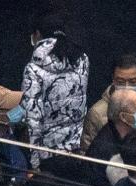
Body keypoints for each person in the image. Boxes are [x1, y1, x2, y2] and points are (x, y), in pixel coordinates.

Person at [20, 11, 89, 169]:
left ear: (37, 34)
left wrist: (34, 162)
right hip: (75, 149)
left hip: (47, 154)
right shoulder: (82, 59)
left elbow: (32, 118)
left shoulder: (33, 69)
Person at [80, 52, 136, 151]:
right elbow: (87, 154)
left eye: (133, 82)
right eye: (120, 82)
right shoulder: (97, 113)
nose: (127, 87)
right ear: (113, 80)